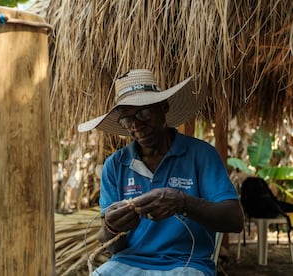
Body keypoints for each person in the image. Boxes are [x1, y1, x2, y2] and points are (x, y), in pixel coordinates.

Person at [78, 69, 244, 276]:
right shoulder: (115, 165)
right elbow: (113, 248)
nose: (137, 125)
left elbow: (235, 220)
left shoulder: (201, 155)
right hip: (128, 261)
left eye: (144, 113)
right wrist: (112, 227)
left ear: (163, 107)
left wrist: (182, 202)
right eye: (128, 120)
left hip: (186, 264)